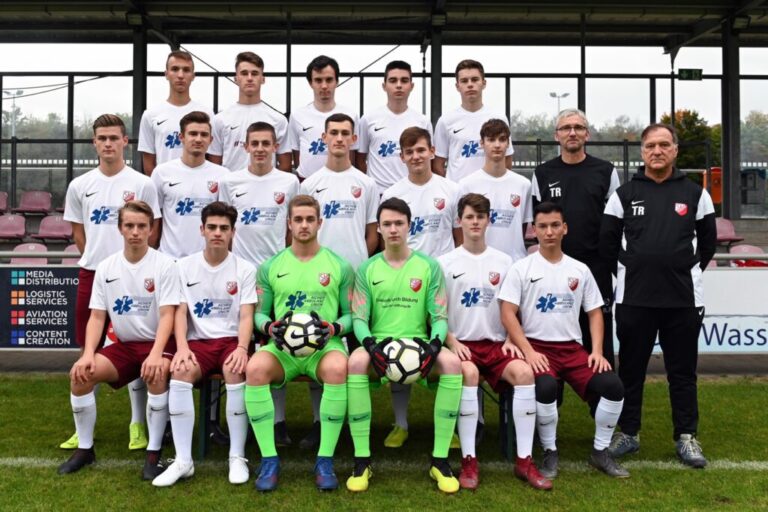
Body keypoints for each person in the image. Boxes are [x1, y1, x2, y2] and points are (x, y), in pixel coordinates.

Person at [601, 123, 716, 469]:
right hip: (634, 298)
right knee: (631, 371)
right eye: (651, 145)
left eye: (664, 145)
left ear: (675, 150)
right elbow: (608, 244)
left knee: (682, 373)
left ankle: (686, 436)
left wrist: (681, 268)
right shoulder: (623, 194)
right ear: (642, 151)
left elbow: (708, 244)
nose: (657, 151)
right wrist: (634, 269)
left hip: (682, 300)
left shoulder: (696, 194)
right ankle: (629, 433)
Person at [499, 201, 629, 479]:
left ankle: (600, 451)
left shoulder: (580, 270)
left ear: (565, 228)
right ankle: (550, 451)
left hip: (572, 350)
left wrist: (596, 351)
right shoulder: (521, 268)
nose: (549, 232)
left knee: (613, 386)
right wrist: (528, 351)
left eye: (555, 225)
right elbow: (508, 313)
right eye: (543, 226)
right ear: (534, 230)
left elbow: (595, 313)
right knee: (546, 387)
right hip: (537, 348)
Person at [346, 197, 463, 494]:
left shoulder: (429, 266)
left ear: (410, 225)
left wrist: (434, 345)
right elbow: (359, 318)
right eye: (387, 224)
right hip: (379, 343)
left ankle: (440, 460)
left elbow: (439, 316)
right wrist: (370, 345)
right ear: (379, 229)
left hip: (419, 342)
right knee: (355, 362)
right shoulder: (367, 268)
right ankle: (362, 460)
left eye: (399, 223)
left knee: (452, 363)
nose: (393, 229)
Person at [58, 201, 178, 480]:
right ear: (120, 228)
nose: (135, 232)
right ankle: (85, 449)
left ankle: (153, 453)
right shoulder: (106, 267)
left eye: (141, 226)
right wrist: (88, 353)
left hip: (158, 344)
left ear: (151, 229)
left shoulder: (165, 265)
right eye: (129, 226)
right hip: (124, 346)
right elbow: (97, 316)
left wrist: (156, 353)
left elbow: (168, 315)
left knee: (157, 374)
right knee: (81, 376)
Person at [62, 113, 161, 452]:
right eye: (101, 138)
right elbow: (79, 232)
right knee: (88, 348)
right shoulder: (80, 185)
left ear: (125, 142)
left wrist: (136, 265)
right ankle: (82, 429)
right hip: (94, 274)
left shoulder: (142, 183)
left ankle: (137, 423)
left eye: (113, 138)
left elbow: (152, 229)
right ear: (94, 143)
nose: (108, 144)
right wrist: (100, 263)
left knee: (137, 344)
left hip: (135, 275)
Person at [439, 193, 551, 491]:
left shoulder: (505, 262)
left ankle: (524, 460)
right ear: (459, 221)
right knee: (469, 374)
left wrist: (513, 338)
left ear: (488, 220)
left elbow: (514, 307)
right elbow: (435, 312)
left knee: (525, 373)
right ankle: (469, 460)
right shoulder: (444, 263)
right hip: (462, 344)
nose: (475, 222)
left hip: (497, 345)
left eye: (480, 216)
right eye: (469, 217)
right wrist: (451, 340)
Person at [245, 194, 354, 491]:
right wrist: (269, 327)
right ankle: (269, 458)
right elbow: (260, 313)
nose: (304, 225)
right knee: (255, 369)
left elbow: (350, 316)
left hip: (324, 347)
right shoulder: (270, 266)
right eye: (298, 219)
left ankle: (325, 459)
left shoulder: (340, 266)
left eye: (310, 219)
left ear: (320, 223)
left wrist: (334, 328)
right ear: (289, 224)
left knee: (337, 369)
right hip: (283, 349)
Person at [152, 202, 257, 487]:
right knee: (180, 371)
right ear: (202, 229)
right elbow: (180, 312)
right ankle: (183, 461)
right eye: (212, 227)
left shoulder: (245, 269)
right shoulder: (183, 266)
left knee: (235, 370)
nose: (217, 233)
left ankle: (237, 456)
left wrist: (242, 348)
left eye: (224, 228)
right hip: (197, 343)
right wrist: (182, 347)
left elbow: (247, 315)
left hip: (231, 342)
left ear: (233, 232)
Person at [298, 112, 377, 449]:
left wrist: (356, 268)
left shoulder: (367, 184)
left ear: (354, 139)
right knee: (317, 346)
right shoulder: (310, 184)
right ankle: (321, 422)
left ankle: (357, 424)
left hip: (356, 281)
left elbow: (372, 233)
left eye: (346, 133)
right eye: (334, 133)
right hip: (319, 282)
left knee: (358, 355)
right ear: (324, 138)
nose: (340, 138)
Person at [219, 121, 300, 447]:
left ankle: (277, 422)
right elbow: (227, 228)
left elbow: (291, 229)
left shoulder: (289, 181)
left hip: (276, 277)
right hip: (239, 277)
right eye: (255, 143)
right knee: (239, 348)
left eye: (267, 143)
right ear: (245, 146)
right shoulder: (231, 181)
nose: (261, 149)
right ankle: (236, 420)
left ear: (276, 146)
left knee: (275, 345)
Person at [379, 126, 460, 449]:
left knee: (448, 352)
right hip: (406, 284)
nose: (416, 156)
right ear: (401, 157)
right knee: (401, 351)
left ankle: (452, 426)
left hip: (442, 281)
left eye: (421, 150)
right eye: (409, 152)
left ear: (432, 152)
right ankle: (400, 424)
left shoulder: (451, 190)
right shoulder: (393, 193)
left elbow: (458, 239)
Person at [532, 108, 620, 366]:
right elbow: (539, 222)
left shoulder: (606, 171)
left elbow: (615, 222)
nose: (572, 132)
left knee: (598, 335)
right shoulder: (543, 173)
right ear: (556, 135)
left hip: (596, 267)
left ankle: (602, 389)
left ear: (587, 134)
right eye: (566, 128)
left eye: (578, 127)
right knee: (552, 334)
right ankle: (551, 390)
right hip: (553, 267)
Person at [151, 111, 229, 259]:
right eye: (193, 134)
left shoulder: (223, 175)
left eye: (204, 135)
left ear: (211, 140)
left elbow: (226, 222)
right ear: (181, 137)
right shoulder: (161, 173)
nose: (198, 139)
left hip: (207, 261)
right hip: (170, 260)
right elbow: (155, 221)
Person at [457, 119, 532, 262]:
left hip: (514, 264)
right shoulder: (466, 185)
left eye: (502, 139)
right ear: (482, 143)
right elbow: (462, 229)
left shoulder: (523, 185)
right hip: (480, 264)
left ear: (508, 143)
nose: (497, 145)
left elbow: (522, 228)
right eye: (491, 140)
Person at [356, 60, 433, 195]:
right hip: (379, 194)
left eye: (404, 81)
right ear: (384, 86)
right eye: (393, 80)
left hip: (412, 192)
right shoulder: (368, 119)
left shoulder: (422, 121)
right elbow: (360, 160)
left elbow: (428, 161)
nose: (398, 85)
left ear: (411, 86)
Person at [208, 51, 291, 173]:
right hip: (232, 184)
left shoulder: (278, 120)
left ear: (263, 79)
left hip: (266, 184)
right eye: (244, 73)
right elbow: (214, 166)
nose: (250, 78)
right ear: (236, 79)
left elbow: (285, 165)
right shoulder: (219, 119)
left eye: (255, 73)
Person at [433, 59, 513, 183]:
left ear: (484, 83)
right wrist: (452, 188)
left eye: (475, 79)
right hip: (458, 192)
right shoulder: (445, 121)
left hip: (489, 190)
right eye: (464, 81)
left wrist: (496, 184)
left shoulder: (499, 118)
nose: (470, 84)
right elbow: (437, 165)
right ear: (457, 86)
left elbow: (507, 160)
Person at [138, 50, 214, 175]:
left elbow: (212, 158)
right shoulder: (151, 115)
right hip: (165, 185)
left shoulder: (207, 114)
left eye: (186, 70)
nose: (180, 75)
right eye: (175, 69)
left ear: (193, 76)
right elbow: (148, 162)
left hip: (198, 184)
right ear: (166, 74)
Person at [288, 55, 359, 180]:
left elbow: (352, 156)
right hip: (307, 183)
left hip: (341, 181)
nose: (324, 85)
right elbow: (296, 154)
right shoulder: (297, 115)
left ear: (337, 81)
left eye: (329, 80)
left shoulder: (351, 115)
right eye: (318, 80)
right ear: (310, 83)